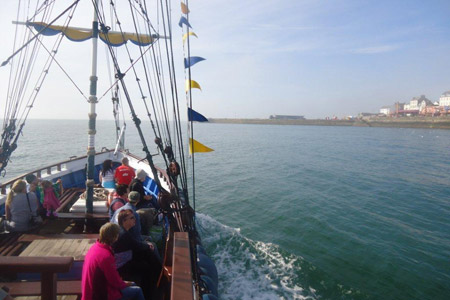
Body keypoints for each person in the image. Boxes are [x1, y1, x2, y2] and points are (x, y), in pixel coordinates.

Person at [81, 222, 144, 300]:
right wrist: (126, 283)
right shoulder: (106, 257)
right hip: (100, 295)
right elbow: (115, 282)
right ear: (114, 237)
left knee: (132, 285)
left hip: (90, 291)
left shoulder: (94, 248)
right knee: (137, 290)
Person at [114, 210, 162, 299]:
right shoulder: (124, 234)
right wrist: (148, 245)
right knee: (146, 268)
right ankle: (149, 292)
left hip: (127, 257)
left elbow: (135, 244)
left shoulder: (124, 231)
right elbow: (136, 245)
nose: (134, 220)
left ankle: (158, 275)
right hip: (122, 265)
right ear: (124, 221)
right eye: (131, 218)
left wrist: (146, 246)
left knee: (147, 255)